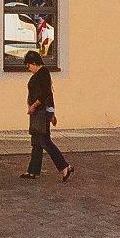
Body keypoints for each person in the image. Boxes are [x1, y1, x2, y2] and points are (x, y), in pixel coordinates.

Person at [22, 49, 71, 181]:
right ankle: (33, 171)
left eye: (28, 65)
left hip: (41, 113)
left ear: (33, 62)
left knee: (45, 142)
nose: (28, 68)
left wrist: (34, 106)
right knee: (36, 143)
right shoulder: (38, 74)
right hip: (37, 113)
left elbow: (45, 95)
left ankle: (64, 166)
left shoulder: (43, 73)